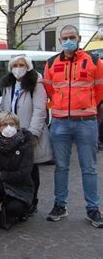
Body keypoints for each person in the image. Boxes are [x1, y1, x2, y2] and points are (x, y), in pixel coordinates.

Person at [44, 25, 103, 228]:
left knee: (89, 167)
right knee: (61, 167)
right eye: (65, 38)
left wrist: (86, 106)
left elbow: (100, 88)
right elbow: (50, 89)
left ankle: (93, 209)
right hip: (60, 122)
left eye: (72, 37)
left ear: (79, 38)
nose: (68, 40)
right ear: (60, 41)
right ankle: (60, 205)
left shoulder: (94, 61)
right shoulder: (51, 63)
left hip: (86, 121)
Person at [0, 54, 52, 215]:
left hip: (28, 133)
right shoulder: (9, 84)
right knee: (16, 166)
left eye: (22, 65)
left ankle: (32, 201)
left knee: (30, 168)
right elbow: (4, 107)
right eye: (15, 65)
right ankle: (17, 197)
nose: (18, 68)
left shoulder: (36, 84)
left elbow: (39, 110)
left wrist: (33, 133)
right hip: (11, 132)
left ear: (28, 67)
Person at [0, 112, 34, 228]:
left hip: (20, 186)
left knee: (15, 209)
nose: (8, 127)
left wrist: (1, 174)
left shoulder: (25, 142)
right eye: (4, 125)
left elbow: (24, 172)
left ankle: (10, 209)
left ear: (17, 126)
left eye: (12, 124)